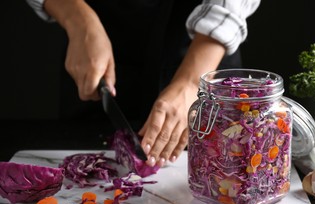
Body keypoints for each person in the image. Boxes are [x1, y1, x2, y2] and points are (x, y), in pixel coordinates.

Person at [26, 0, 261, 167]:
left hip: (205, 49)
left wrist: (191, 82)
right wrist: (78, 19)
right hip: (96, 44)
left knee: (223, 167)